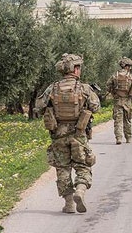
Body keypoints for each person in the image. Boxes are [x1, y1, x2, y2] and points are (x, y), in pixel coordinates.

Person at [35, 53, 100, 214]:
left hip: (58, 135)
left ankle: (69, 204)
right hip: (78, 134)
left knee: (62, 168)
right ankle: (80, 190)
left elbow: (39, 107)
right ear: (75, 69)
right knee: (83, 165)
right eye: (79, 68)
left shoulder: (53, 87)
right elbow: (96, 107)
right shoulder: (84, 88)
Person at [106, 57, 132, 145]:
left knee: (118, 120)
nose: (130, 68)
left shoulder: (115, 75)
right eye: (129, 66)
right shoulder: (131, 76)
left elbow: (108, 86)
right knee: (127, 120)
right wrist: (131, 94)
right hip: (127, 101)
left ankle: (118, 138)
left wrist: (114, 93)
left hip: (117, 100)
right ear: (126, 66)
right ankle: (128, 138)